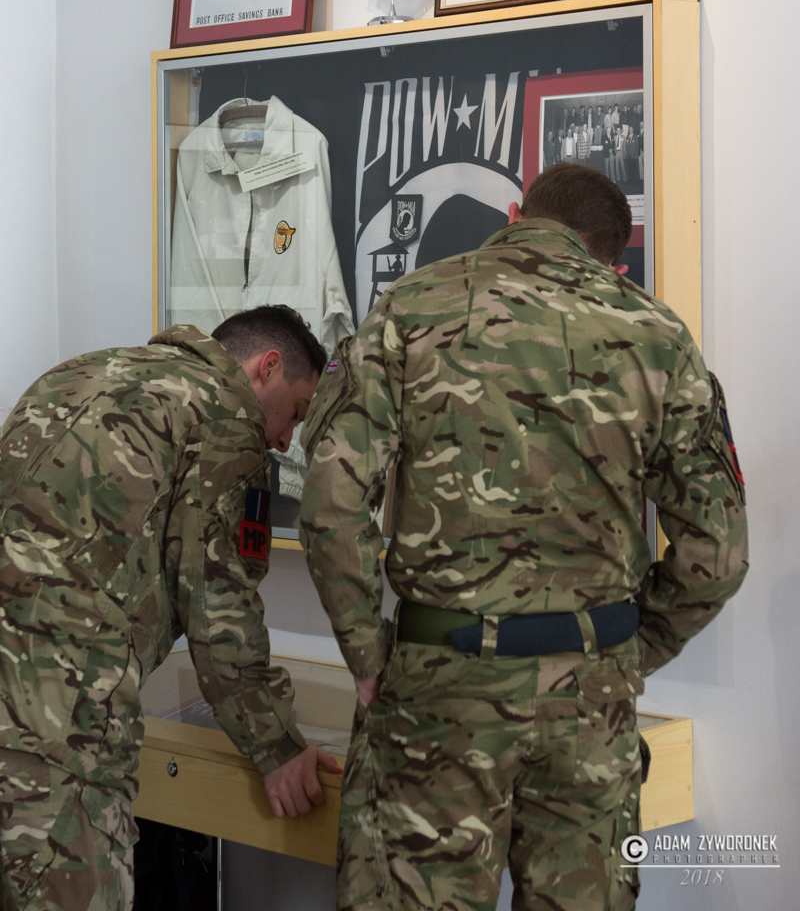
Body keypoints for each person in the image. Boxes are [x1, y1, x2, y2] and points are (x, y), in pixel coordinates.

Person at [299, 165, 748, 911]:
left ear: (515, 214)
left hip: (441, 685)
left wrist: (367, 651)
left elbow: (331, 501)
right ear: (614, 259)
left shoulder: (411, 306)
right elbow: (718, 551)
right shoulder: (659, 334)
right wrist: (626, 654)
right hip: (593, 699)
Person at [0, 305, 341, 911]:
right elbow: (221, 612)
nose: (286, 440)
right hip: (59, 720)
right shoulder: (226, 420)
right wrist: (278, 749)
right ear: (266, 367)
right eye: (294, 413)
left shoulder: (76, 373)